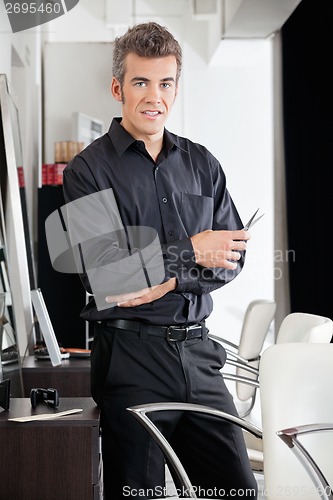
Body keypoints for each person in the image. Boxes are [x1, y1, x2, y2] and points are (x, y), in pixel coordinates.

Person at [63, 21, 257, 500]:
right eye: (141, 82)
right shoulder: (87, 171)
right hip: (131, 363)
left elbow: (232, 259)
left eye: (165, 83)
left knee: (236, 491)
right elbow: (106, 275)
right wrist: (192, 251)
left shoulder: (202, 163)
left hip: (200, 355)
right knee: (139, 495)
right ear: (118, 88)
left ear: (176, 86)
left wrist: (165, 278)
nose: (155, 96)